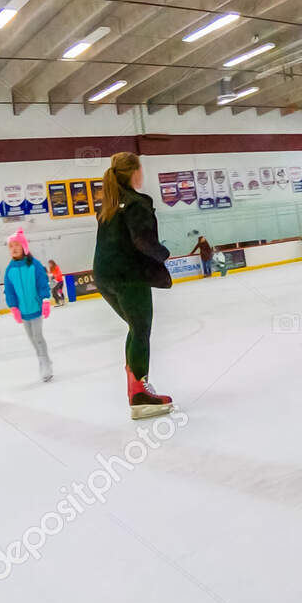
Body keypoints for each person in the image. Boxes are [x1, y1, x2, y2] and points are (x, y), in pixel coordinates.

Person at [93, 152, 176, 419]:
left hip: (105, 277)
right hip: (128, 275)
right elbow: (142, 241)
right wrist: (163, 254)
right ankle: (139, 394)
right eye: (141, 169)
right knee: (141, 330)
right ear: (134, 172)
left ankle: (135, 387)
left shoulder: (110, 203)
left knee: (135, 328)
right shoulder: (135, 203)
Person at [4, 228, 54, 382]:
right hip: (23, 311)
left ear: (24, 247)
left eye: (16, 245)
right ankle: (41, 358)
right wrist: (14, 307)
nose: (13, 248)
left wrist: (45, 300)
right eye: (11, 246)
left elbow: (42, 283)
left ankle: (46, 362)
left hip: (36, 308)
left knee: (38, 336)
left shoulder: (34, 265)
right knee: (32, 339)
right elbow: (9, 290)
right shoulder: (10, 270)